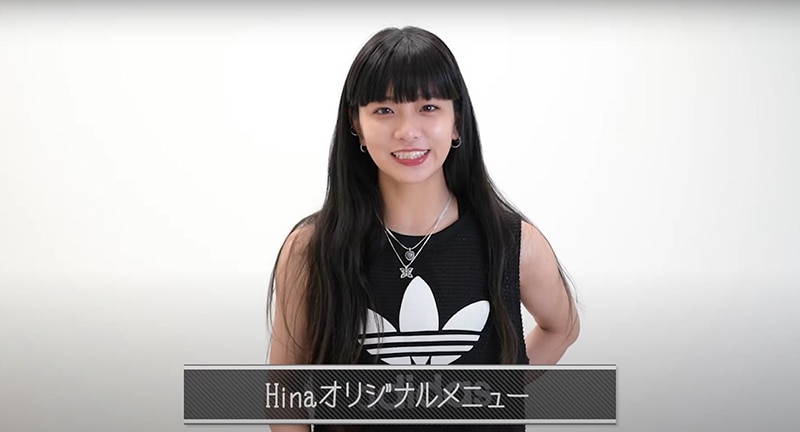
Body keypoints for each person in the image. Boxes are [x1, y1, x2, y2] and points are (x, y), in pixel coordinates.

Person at [267, 26, 580, 432]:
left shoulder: (513, 242)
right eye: (384, 110)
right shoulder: (311, 248)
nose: (407, 131)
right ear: (356, 124)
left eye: (428, 107)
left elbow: (562, 327)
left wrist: (492, 393)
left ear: (456, 121)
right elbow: (285, 389)